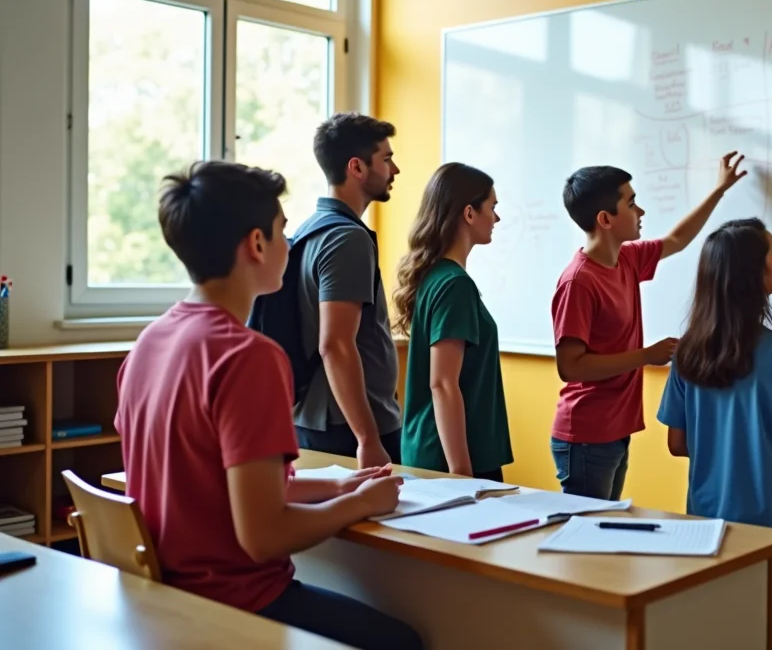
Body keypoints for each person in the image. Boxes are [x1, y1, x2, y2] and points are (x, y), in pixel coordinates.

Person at [115, 160, 422, 650]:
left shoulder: (150, 342)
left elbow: (215, 486)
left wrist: (337, 484)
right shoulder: (249, 357)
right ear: (256, 244)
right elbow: (263, 534)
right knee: (404, 642)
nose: (290, 246)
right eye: (283, 232)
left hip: (163, 595)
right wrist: (358, 503)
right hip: (234, 603)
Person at [550, 152, 747, 500]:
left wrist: (719, 190)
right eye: (631, 203)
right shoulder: (578, 281)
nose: (640, 212)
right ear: (605, 219)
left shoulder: (626, 258)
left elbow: (677, 240)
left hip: (613, 429)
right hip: (586, 435)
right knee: (586, 541)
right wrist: (645, 355)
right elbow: (570, 366)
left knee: (602, 533)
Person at [656, 217, 772, 617]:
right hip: (768, 515)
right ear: (753, 272)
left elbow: (677, 444)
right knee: (757, 623)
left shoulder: (687, 355)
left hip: (706, 512)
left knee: (717, 620)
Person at [294, 112, 404, 468]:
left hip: (320, 419)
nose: (395, 170)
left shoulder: (310, 230)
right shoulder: (347, 238)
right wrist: (367, 439)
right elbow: (336, 345)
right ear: (357, 167)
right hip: (347, 428)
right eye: (386, 159)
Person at [393, 163, 512, 480]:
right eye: (492, 207)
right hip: (451, 459)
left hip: (433, 450)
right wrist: (460, 474)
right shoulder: (455, 284)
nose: (496, 218)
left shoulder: (436, 276)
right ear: (469, 213)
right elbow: (443, 384)